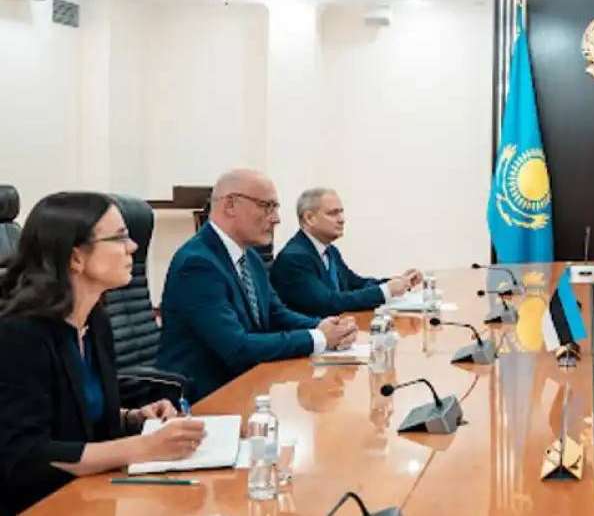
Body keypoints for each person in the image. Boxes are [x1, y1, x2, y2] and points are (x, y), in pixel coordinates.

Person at [0, 193, 206, 513]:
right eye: (120, 237)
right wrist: (142, 447)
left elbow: (76, 414)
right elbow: (26, 454)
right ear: (75, 258)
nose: (133, 247)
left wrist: (131, 418)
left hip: (90, 492)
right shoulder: (18, 335)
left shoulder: (95, 319)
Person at [157, 170, 358, 401]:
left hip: (247, 386)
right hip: (205, 400)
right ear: (231, 205)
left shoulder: (250, 257)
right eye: (267, 206)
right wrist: (319, 338)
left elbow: (275, 313)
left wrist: (326, 326)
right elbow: (237, 347)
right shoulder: (197, 264)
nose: (276, 218)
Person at [270, 188, 422, 317]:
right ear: (309, 218)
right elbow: (328, 303)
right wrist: (385, 291)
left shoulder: (329, 250)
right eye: (333, 213)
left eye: (341, 212)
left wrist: (399, 282)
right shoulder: (294, 258)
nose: (342, 219)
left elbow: (356, 284)